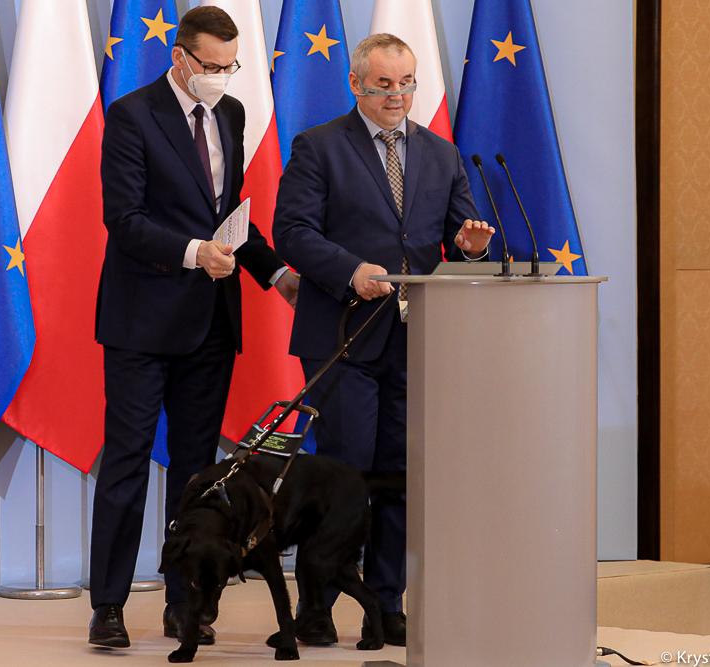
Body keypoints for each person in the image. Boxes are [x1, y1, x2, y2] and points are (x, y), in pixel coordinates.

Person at [273, 33, 494, 647]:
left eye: (406, 84)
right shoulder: (319, 147)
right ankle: (315, 607)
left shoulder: (442, 154)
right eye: (383, 84)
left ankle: (386, 603)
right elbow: (290, 231)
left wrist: (472, 244)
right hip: (344, 336)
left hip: (415, 341)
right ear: (357, 84)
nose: (397, 96)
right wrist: (350, 269)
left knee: (399, 477)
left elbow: (460, 234)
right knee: (340, 480)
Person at [87, 6, 298, 649]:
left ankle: (185, 605)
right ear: (181, 58)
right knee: (125, 463)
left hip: (210, 323)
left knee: (197, 472)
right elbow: (123, 219)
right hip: (142, 321)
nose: (221, 78)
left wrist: (275, 274)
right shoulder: (131, 116)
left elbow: (229, 213)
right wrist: (192, 252)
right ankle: (109, 605)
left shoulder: (230, 115)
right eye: (211, 66)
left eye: (230, 67)